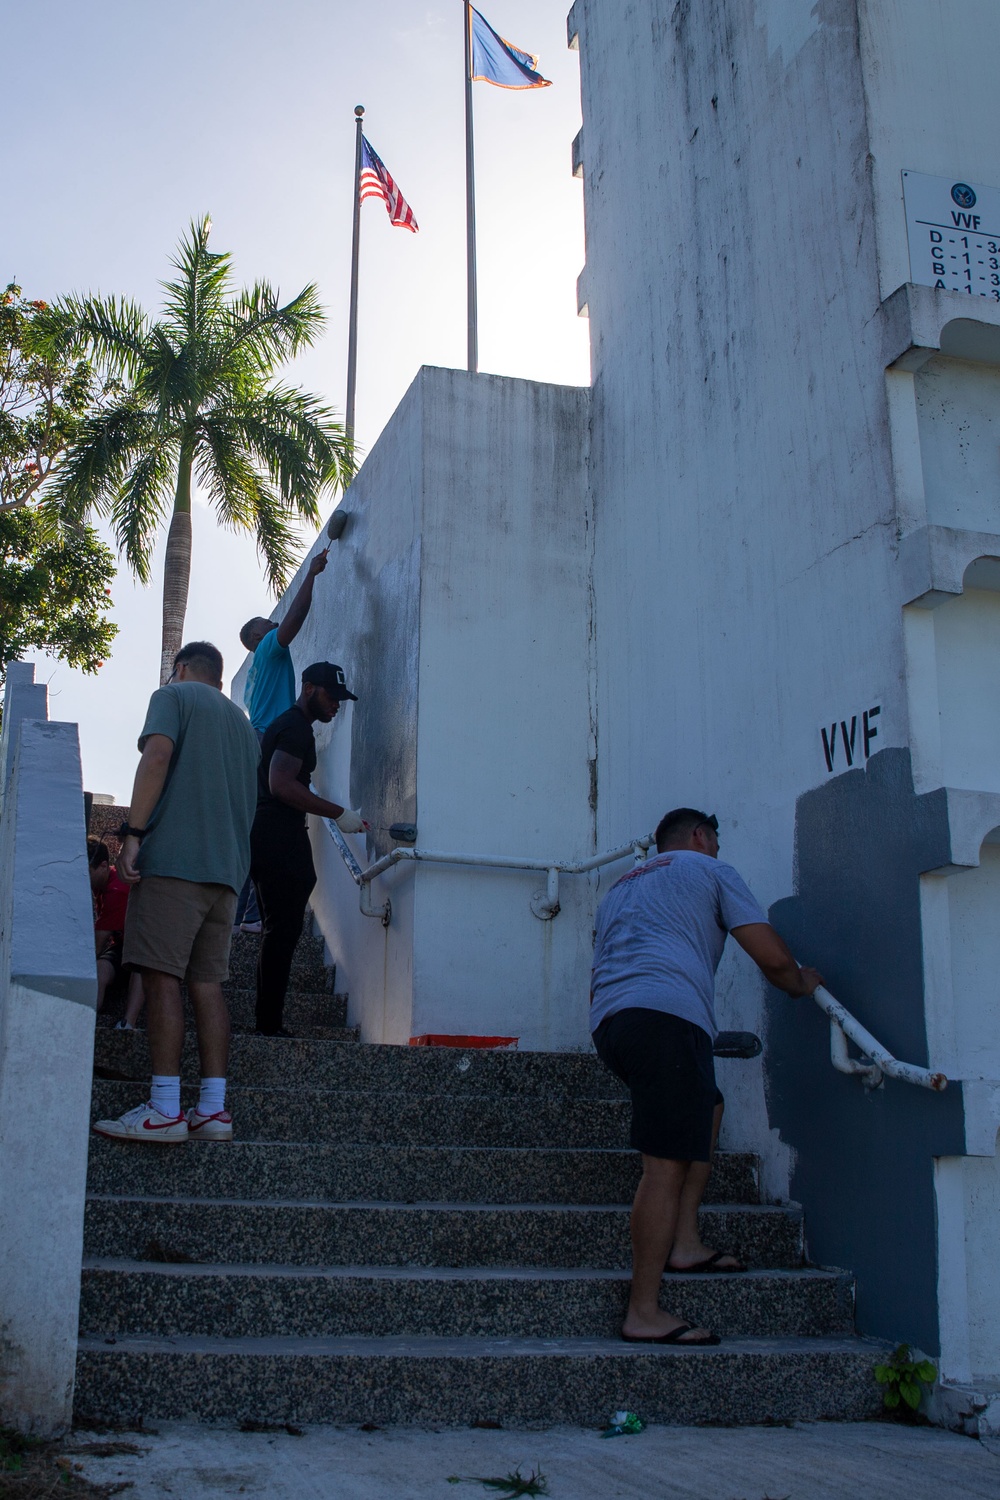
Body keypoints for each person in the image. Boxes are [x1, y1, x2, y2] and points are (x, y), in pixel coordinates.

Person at [590, 807, 823, 1346]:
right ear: (699, 836)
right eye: (715, 841)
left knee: (708, 1106)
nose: (718, 850)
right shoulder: (709, 871)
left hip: (614, 1023)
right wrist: (800, 982)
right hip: (665, 1019)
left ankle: (686, 1242)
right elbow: (769, 956)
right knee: (664, 1166)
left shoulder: (621, 887)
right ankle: (643, 1311)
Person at [92, 641, 260, 1144]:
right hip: (227, 874)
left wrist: (133, 834)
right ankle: (212, 1110)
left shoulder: (173, 697)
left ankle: (164, 1108)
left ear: (181, 668)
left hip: (175, 865)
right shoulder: (246, 728)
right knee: (206, 985)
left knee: (161, 976)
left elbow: (158, 754)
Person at [250, 662, 365, 1037]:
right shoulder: (295, 727)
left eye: (340, 700)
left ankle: (268, 1022)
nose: (336, 705)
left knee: (279, 930)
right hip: (277, 833)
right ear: (310, 688)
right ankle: (269, 1026)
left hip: (274, 833)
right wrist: (339, 814)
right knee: (281, 930)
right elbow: (281, 784)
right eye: (332, 697)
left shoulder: (293, 726)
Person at [235, 548, 331, 932]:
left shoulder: (254, 679)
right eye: (267, 623)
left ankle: (248, 914)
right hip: (272, 743)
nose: (275, 623)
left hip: (259, 743)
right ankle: (257, 913)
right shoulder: (270, 650)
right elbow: (296, 617)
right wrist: (311, 575)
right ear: (257, 638)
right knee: (277, 820)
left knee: (258, 825)